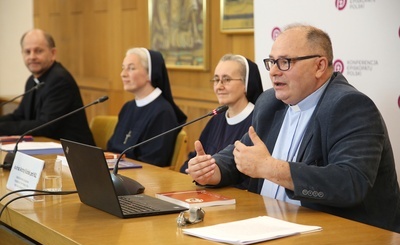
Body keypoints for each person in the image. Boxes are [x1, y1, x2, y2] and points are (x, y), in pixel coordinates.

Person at [186, 24, 400, 232]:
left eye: (285, 62)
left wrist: (270, 168)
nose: (274, 72)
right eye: (272, 62)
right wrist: (213, 170)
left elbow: (350, 183)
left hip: (339, 234)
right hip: (266, 224)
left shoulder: (350, 106)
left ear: (319, 66)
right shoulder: (270, 102)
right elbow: (244, 152)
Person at [180, 54, 264, 188]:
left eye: (226, 80)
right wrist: (194, 168)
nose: (219, 86)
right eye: (216, 80)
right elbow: (196, 157)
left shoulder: (258, 121)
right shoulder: (217, 118)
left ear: (245, 84)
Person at [0, 29, 95, 146]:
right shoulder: (32, 80)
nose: (32, 56)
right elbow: (20, 115)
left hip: (73, 153)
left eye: (38, 51)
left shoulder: (60, 79)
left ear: (53, 53)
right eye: (27, 52)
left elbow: (45, 126)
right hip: (47, 148)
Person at [107, 48, 187, 167]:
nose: (123, 74)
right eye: (123, 68)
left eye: (131, 68)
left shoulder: (163, 112)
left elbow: (152, 162)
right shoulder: (128, 107)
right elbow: (112, 148)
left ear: (150, 73)